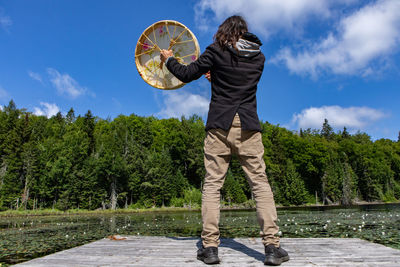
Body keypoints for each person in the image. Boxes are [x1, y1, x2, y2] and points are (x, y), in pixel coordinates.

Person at [160, 15, 289, 266]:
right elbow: (239, 84)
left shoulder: (215, 51)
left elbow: (186, 74)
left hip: (219, 124)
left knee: (212, 185)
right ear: (245, 32)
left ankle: (209, 248)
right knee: (260, 184)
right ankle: (272, 247)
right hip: (248, 126)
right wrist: (216, 76)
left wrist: (169, 59)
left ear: (224, 31)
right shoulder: (259, 59)